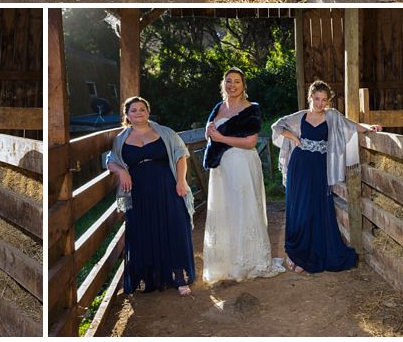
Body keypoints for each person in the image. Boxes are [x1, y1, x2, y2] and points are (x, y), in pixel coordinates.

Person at [271, 79, 381, 274]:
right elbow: (277, 126)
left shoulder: (332, 116)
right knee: (299, 209)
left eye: (324, 100)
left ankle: (310, 254)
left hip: (320, 168)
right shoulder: (300, 116)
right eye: (316, 99)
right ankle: (294, 254)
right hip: (300, 166)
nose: (320, 103)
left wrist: (369, 128)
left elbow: (351, 126)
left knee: (316, 209)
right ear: (310, 97)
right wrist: (294, 137)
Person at [105, 97, 195, 296]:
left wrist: (181, 181)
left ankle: (179, 277)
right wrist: (121, 171)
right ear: (127, 116)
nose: (138, 113)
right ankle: (149, 277)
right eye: (134, 110)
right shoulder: (121, 139)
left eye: (142, 109)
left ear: (148, 111)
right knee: (143, 231)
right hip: (138, 192)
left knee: (174, 228)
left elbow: (181, 155)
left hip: (168, 187)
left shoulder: (165, 132)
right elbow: (111, 160)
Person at [202, 68, 282, 284]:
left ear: (243, 85)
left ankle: (247, 261)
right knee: (225, 209)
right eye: (228, 81)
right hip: (221, 168)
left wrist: (221, 137)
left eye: (237, 81)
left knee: (243, 207)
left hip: (242, 162)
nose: (232, 85)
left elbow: (250, 142)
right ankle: (226, 262)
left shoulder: (251, 109)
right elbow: (210, 134)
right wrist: (211, 133)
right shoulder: (218, 107)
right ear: (223, 84)